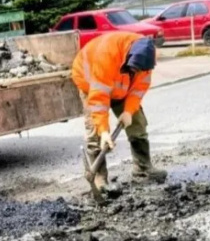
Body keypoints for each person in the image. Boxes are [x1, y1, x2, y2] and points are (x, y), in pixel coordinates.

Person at [71, 31, 168, 191]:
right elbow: (99, 99)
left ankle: (142, 169)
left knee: (137, 122)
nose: (135, 72)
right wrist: (104, 131)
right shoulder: (107, 55)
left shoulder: (146, 58)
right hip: (91, 84)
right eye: (132, 69)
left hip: (121, 87)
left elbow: (138, 89)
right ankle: (99, 179)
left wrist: (128, 111)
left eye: (137, 70)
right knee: (95, 132)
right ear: (128, 57)